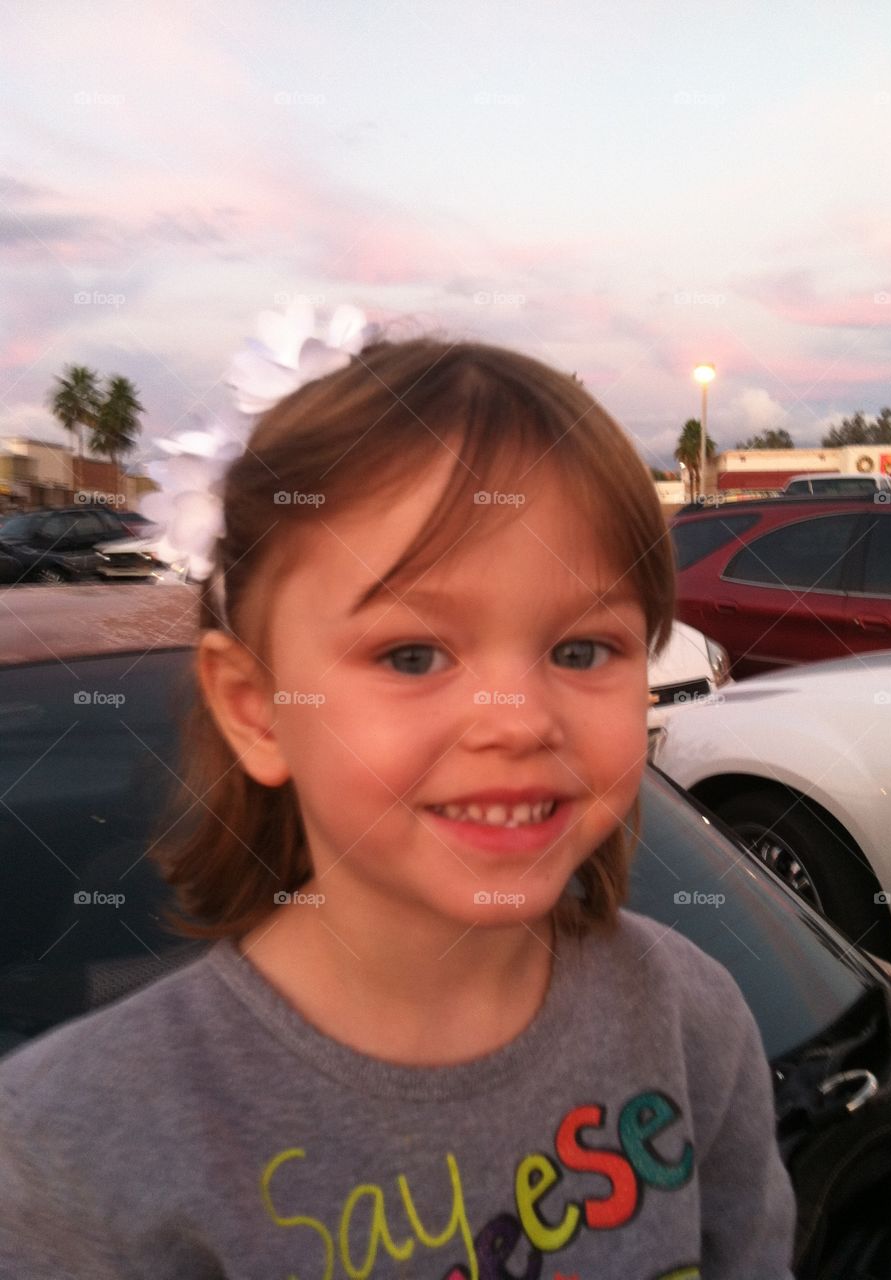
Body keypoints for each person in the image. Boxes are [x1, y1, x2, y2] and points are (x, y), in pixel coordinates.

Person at [0, 306, 796, 1279]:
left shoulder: (691, 1020)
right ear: (256, 711)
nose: (515, 720)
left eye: (582, 649)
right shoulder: (70, 1153)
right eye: (412, 655)